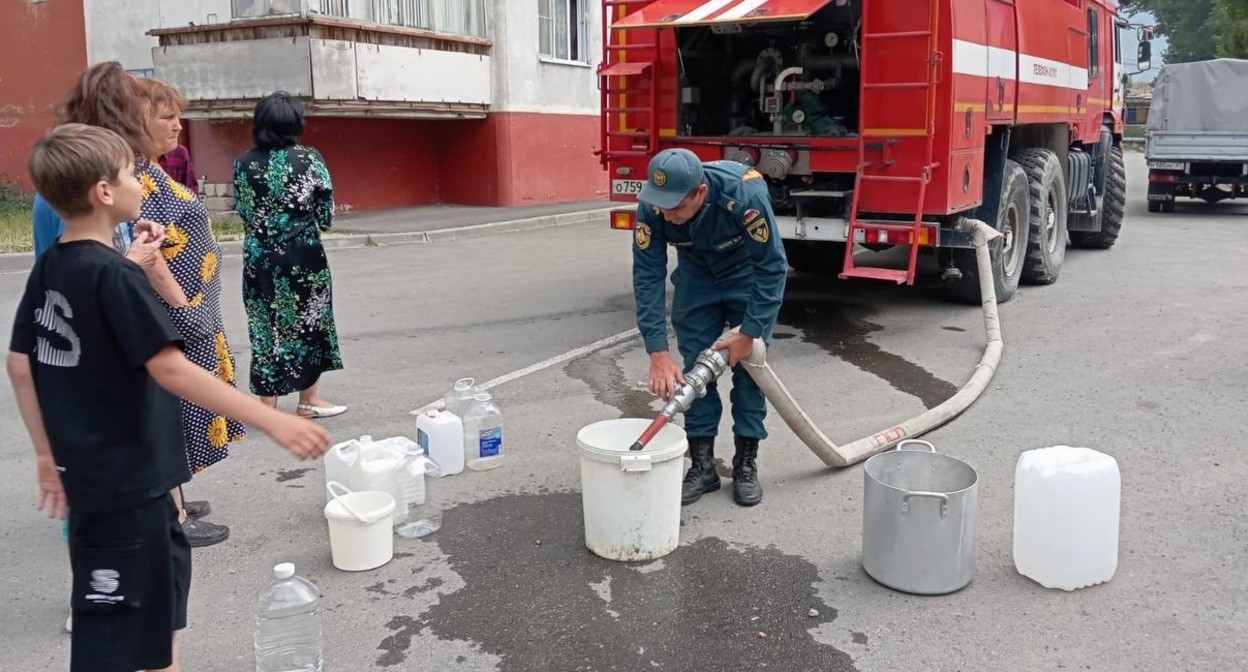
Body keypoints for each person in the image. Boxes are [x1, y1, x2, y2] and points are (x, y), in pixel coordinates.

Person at [10, 122, 331, 672]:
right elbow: (172, 367)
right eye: (133, 173)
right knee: (152, 642)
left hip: (89, 485)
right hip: (133, 489)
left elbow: (19, 366)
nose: (143, 181)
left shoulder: (51, 269)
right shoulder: (113, 276)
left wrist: (45, 456)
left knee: (109, 627)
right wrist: (271, 420)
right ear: (104, 193)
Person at [631, 148, 788, 507]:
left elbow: (772, 267)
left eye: (675, 207)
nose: (665, 214)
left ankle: (746, 463)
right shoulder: (654, 204)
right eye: (661, 205)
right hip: (697, 278)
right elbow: (647, 275)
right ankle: (702, 466)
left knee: (750, 373)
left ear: (700, 193)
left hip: (745, 275)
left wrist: (750, 332)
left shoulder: (744, 194)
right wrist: (657, 351)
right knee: (694, 371)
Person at [134, 76, 247, 547]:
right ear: (136, 119)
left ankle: (174, 500)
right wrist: (183, 305)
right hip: (177, 318)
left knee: (176, 414)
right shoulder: (131, 175)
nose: (178, 126)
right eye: (168, 117)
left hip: (190, 315)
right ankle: (172, 515)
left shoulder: (146, 166)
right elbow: (145, 247)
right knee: (172, 414)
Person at [232, 91, 346, 418]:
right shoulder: (309, 158)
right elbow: (326, 213)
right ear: (295, 123)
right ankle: (308, 401)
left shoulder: (243, 162)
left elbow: (242, 209)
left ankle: (267, 406)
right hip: (303, 254)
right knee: (311, 321)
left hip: (259, 256)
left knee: (264, 324)